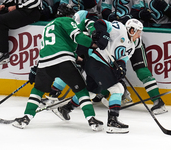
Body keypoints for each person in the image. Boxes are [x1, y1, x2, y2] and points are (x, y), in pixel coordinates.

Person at [12, 3, 104, 131]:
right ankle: (91, 119)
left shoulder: (48, 25)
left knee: (37, 90)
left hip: (44, 62)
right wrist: (93, 44)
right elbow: (78, 37)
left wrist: (75, 56)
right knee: (81, 90)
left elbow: (55, 46)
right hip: (63, 61)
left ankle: (26, 117)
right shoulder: (66, 20)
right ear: (69, 14)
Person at [53, 18, 144, 134]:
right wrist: (103, 35)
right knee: (117, 89)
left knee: (91, 92)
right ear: (131, 30)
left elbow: (123, 58)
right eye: (138, 31)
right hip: (97, 63)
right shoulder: (120, 29)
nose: (139, 34)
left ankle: (65, 109)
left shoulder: (133, 44)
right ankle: (113, 121)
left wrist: (121, 67)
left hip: (99, 65)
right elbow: (100, 23)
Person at [0, 0, 42, 67]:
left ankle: (4, 53)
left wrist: (16, 7)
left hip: (31, 11)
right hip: (19, 8)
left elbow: (36, 2)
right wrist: (4, 5)